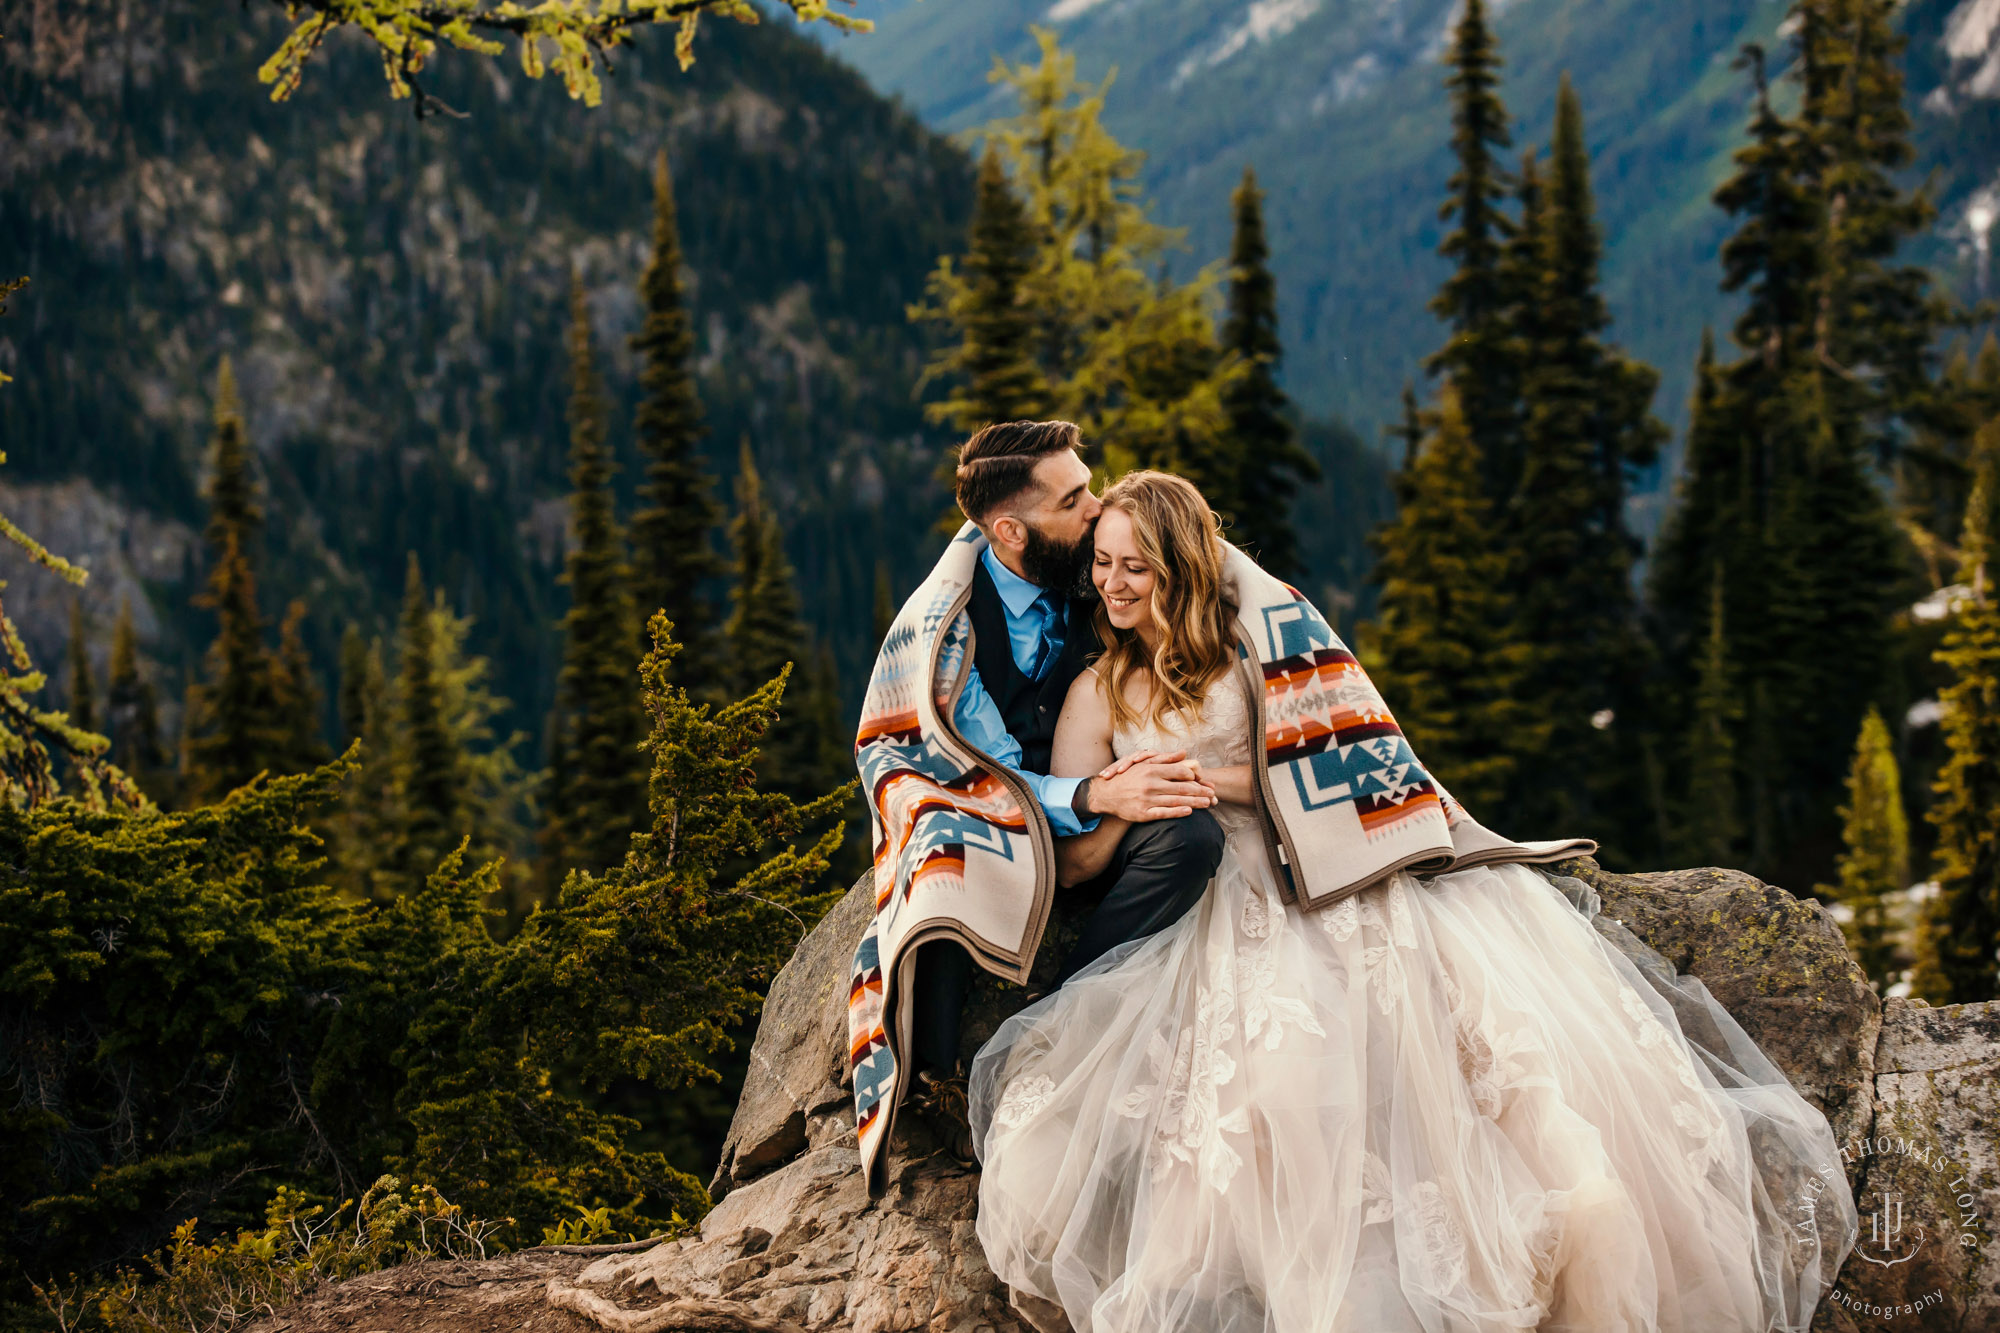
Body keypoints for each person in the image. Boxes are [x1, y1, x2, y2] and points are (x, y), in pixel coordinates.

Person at [967, 471, 1857, 1333]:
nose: (1111, 584)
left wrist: (1202, 776)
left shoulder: (1251, 649)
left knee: (1415, 1039)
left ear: (1179, 566)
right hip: (1220, 899)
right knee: (1267, 1080)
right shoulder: (1100, 688)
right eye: (1104, 562)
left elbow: (1326, 765)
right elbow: (1080, 859)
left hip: (1311, 864)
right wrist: (1123, 799)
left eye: (1135, 566)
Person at [903, 422, 1227, 1161]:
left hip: (1105, 792)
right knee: (942, 847)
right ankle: (934, 1085)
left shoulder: (1094, 561)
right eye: (1076, 498)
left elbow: (1190, 566)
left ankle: (1066, 1012)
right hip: (1006, 815)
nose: (1096, 506)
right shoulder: (956, 634)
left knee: (1191, 836)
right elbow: (990, 779)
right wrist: (1093, 799)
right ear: (1013, 530)